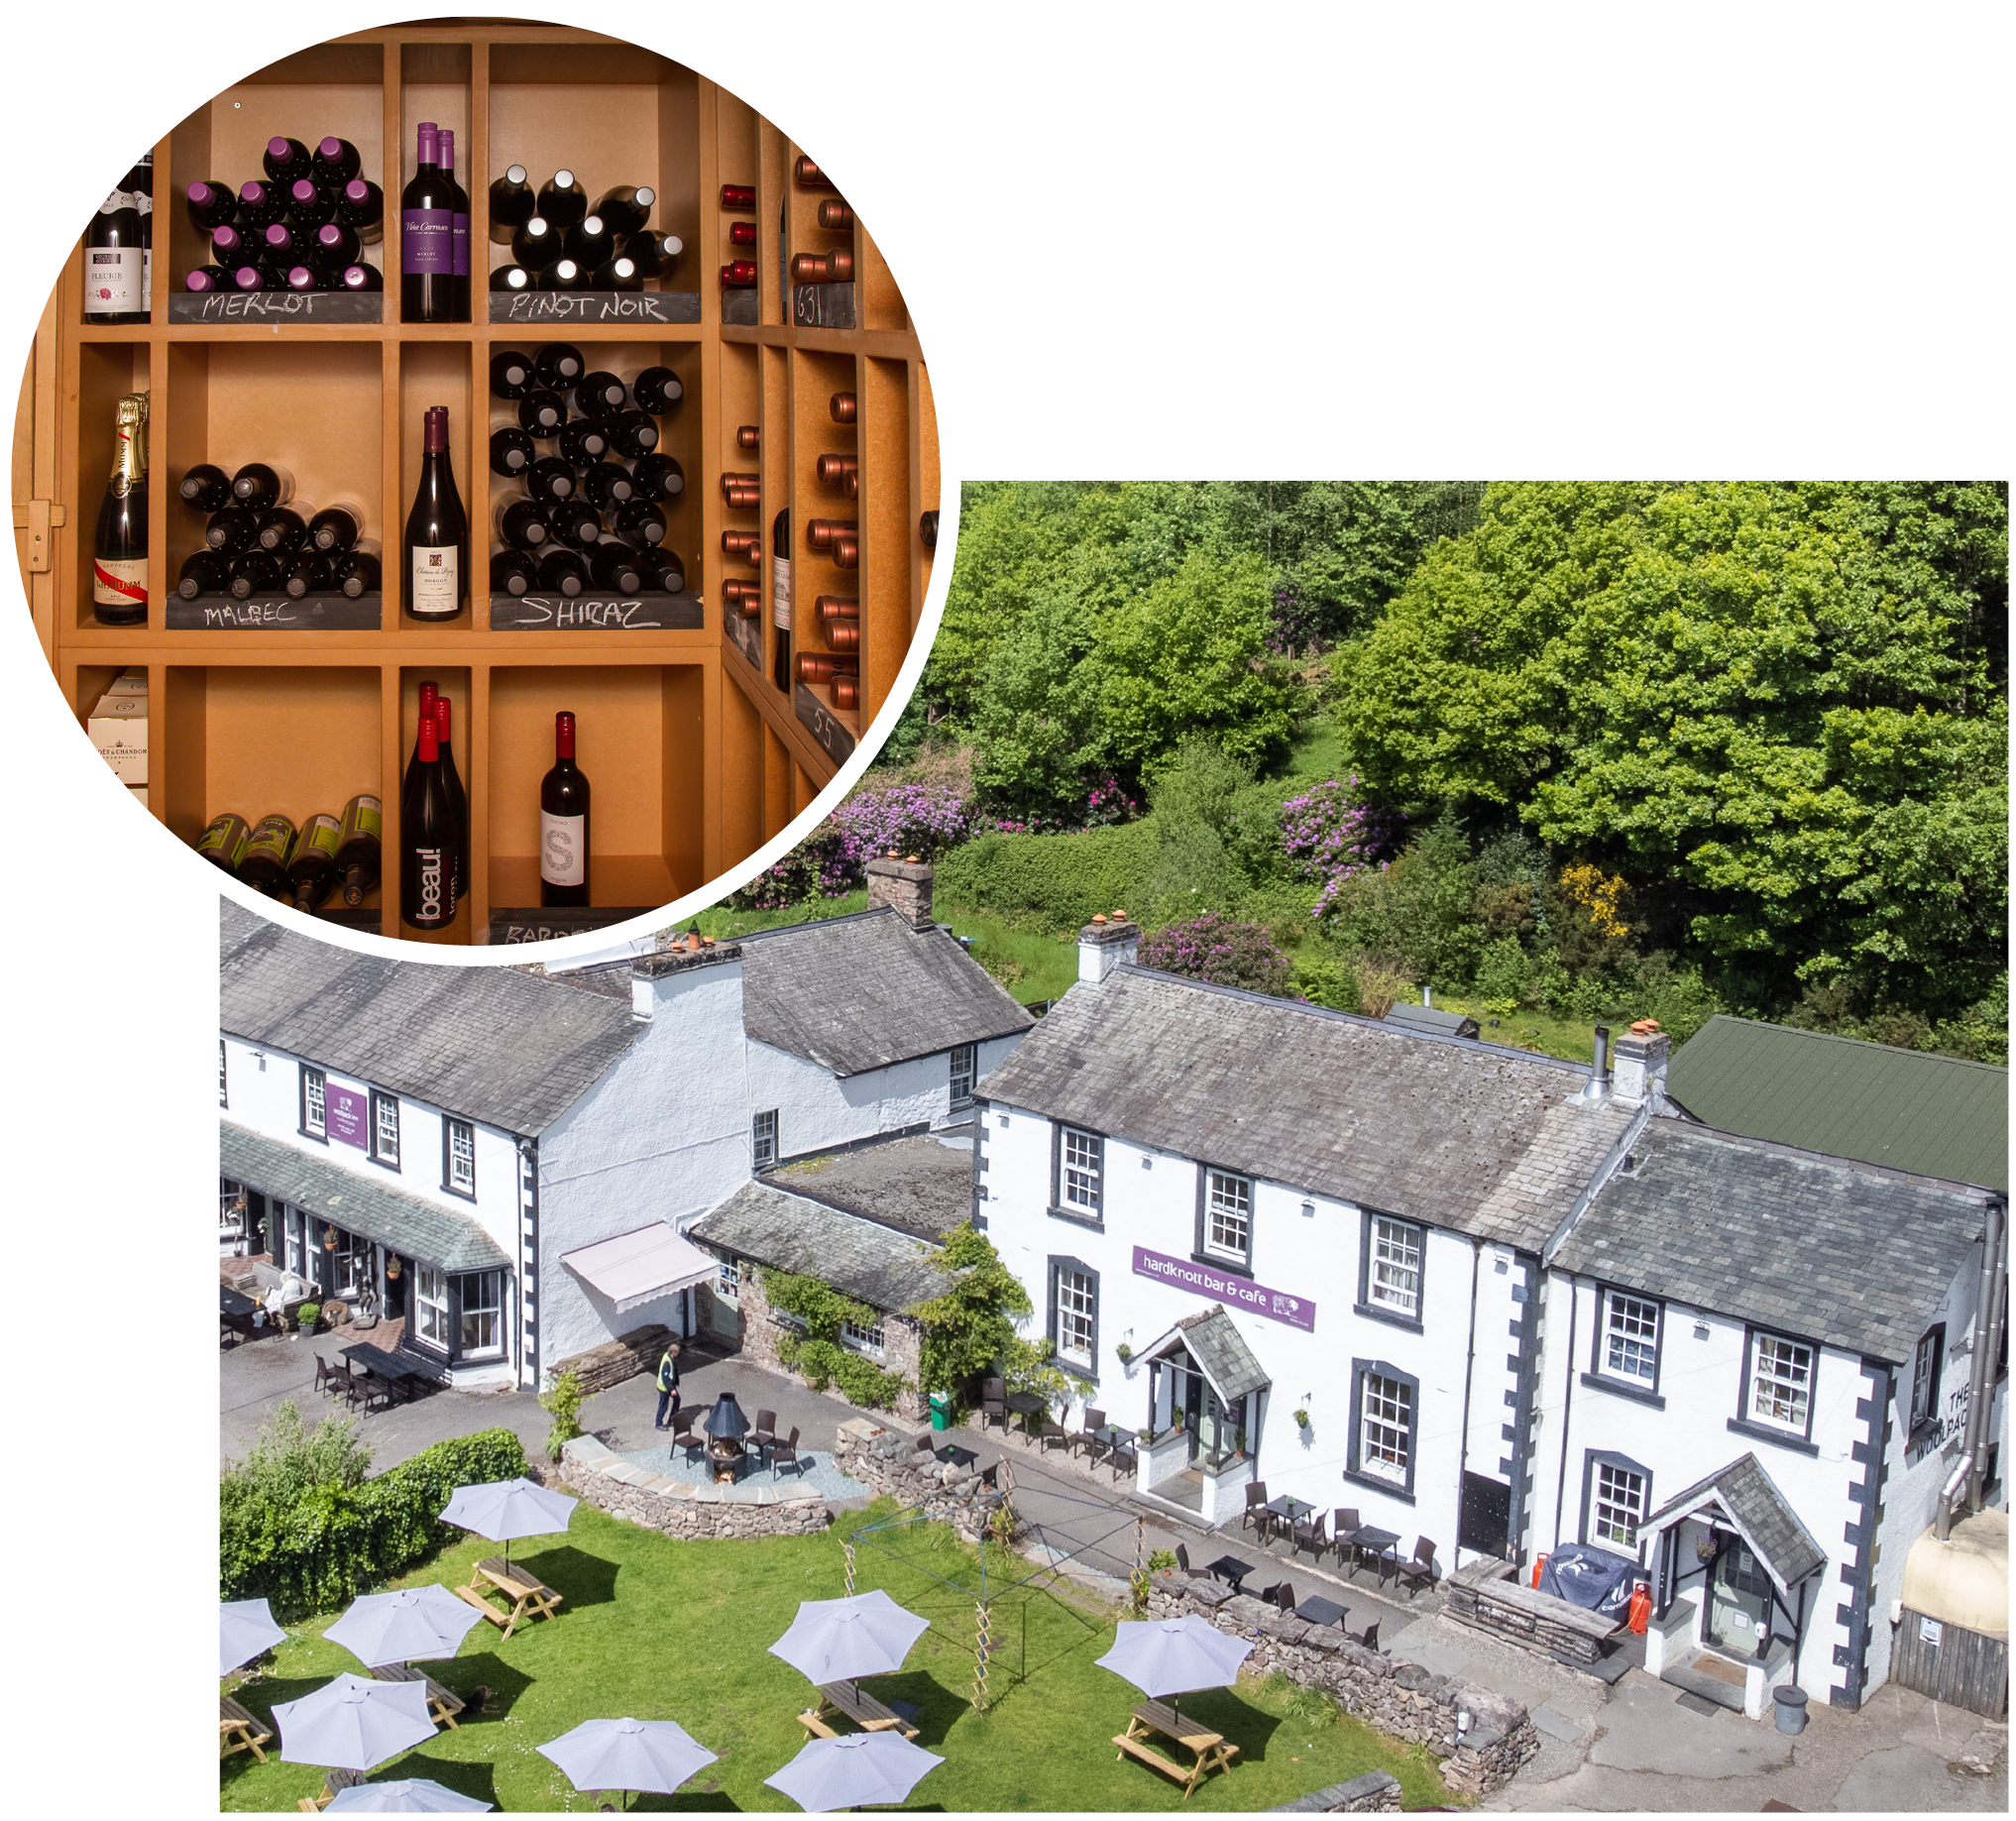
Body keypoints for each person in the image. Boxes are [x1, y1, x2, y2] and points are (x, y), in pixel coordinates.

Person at [654, 1341, 682, 1429]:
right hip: (664, 1387)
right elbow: (665, 1378)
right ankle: (658, 1424)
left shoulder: (669, 1356)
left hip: (669, 1386)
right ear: (673, 1352)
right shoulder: (667, 1362)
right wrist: (672, 1389)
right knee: (663, 1406)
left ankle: (672, 1419)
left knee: (677, 1399)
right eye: (677, 1352)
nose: (678, 1354)